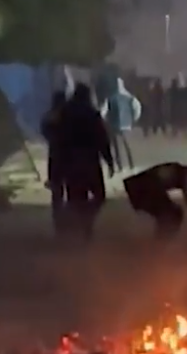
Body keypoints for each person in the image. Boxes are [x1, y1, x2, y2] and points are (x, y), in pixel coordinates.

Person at [54, 84, 114, 240]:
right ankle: (86, 224)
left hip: (70, 163)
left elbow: (58, 140)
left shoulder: (64, 114)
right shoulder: (92, 114)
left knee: (76, 198)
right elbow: (102, 139)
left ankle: (79, 226)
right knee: (99, 195)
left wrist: (58, 166)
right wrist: (109, 161)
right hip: (90, 162)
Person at [123, 162, 187, 238]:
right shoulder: (184, 174)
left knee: (170, 214)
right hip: (142, 188)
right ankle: (161, 242)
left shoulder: (177, 169)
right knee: (172, 214)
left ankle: (161, 240)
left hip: (137, 187)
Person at [42, 90, 71, 233]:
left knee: (57, 192)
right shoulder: (70, 117)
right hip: (69, 158)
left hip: (55, 157)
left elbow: (46, 133)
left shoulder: (50, 116)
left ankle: (59, 223)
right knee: (71, 190)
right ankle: (70, 221)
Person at [100, 77, 141, 172]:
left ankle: (120, 166)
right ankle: (131, 165)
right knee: (128, 147)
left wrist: (107, 121)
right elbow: (137, 108)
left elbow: (103, 112)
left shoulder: (110, 98)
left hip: (114, 125)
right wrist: (134, 119)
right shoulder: (129, 97)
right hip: (127, 125)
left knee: (117, 148)